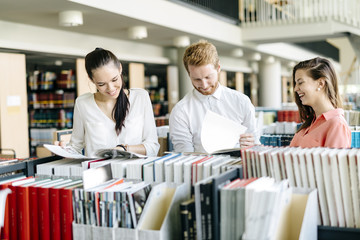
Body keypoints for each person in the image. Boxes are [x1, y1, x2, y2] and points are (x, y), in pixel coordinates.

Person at [169, 40, 259, 153]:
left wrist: (251, 144)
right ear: (189, 74)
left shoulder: (241, 102)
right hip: (200, 168)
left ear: (218, 68)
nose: (204, 85)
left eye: (208, 77)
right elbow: (185, 154)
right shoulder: (181, 111)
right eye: (196, 79)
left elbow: (255, 144)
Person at [67, 48, 159, 157]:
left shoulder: (140, 98)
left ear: (120, 68)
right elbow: (75, 147)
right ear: (92, 80)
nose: (110, 88)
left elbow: (153, 147)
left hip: (133, 172)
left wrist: (124, 149)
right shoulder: (83, 103)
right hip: (96, 172)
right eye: (101, 84)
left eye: (114, 79)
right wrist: (63, 149)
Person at [290, 57, 351, 148]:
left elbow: (333, 162)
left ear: (321, 83)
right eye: (295, 83)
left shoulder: (337, 125)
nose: (295, 89)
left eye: (300, 82)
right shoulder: (311, 122)